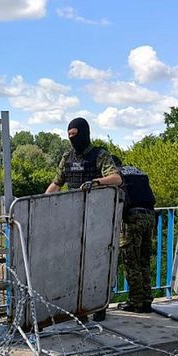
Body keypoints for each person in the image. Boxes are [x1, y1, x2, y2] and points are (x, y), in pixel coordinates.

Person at [45, 117, 123, 321]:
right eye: (69, 135)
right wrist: (42, 204)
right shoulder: (67, 157)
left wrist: (95, 182)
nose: (72, 139)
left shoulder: (100, 155)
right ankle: (79, 308)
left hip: (97, 218)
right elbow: (56, 183)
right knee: (73, 265)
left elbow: (116, 178)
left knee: (96, 264)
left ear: (84, 133)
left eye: (75, 134)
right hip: (72, 219)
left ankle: (98, 305)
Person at [111, 156, 156, 314]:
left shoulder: (115, 175)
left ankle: (135, 302)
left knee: (131, 261)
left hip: (133, 218)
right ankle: (146, 301)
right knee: (144, 260)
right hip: (150, 216)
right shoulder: (137, 171)